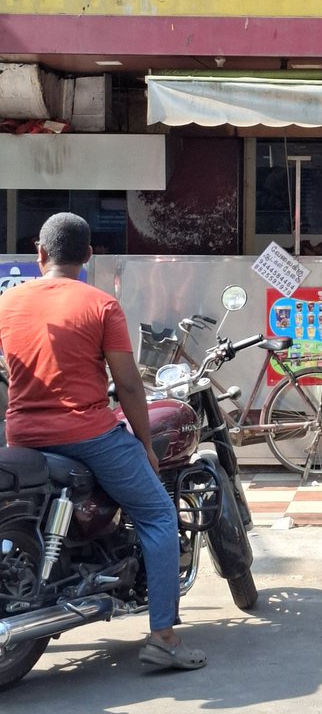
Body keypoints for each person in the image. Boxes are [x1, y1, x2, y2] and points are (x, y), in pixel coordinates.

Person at [0, 213, 206, 673]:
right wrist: (146, 447)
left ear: (40, 253)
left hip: (23, 437)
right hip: (86, 434)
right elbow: (129, 385)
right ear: (88, 256)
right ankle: (164, 638)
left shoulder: (8, 303)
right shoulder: (100, 304)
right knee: (157, 513)